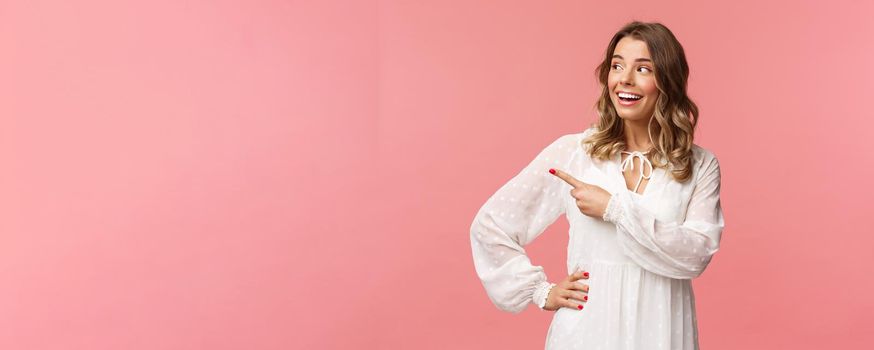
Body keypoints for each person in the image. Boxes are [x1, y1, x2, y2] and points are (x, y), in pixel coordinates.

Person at [469, 21, 724, 349]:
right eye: (617, 66)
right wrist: (540, 291)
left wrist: (615, 209)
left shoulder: (699, 165)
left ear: (668, 81)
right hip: (587, 333)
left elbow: (697, 254)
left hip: (661, 330)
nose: (625, 80)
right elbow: (490, 225)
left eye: (643, 68)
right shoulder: (575, 152)